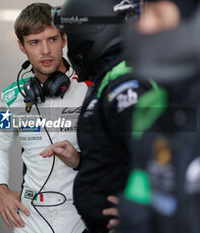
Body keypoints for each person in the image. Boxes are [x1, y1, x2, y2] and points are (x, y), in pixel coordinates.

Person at [41, 0, 153, 232]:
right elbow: (116, 156)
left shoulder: (127, 86)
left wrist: (143, 211)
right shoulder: (109, 80)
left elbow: (162, 156)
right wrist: (80, 161)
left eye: (69, 38)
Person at [0, 3, 88, 233]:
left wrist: (79, 159)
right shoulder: (11, 97)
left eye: (52, 39)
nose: (46, 51)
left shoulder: (89, 89)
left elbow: (117, 153)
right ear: (22, 46)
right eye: (34, 42)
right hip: (31, 219)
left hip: (82, 216)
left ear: (64, 39)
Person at [116, 1, 200, 233]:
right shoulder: (150, 107)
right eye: (146, 12)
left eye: (159, 15)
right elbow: (138, 201)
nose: (143, 24)